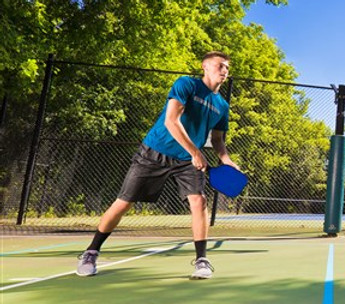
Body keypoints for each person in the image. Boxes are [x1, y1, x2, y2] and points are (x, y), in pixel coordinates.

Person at [76, 51, 238, 280]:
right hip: (155, 152)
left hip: (187, 162)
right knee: (124, 202)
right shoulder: (187, 85)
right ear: (205, 66)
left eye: (227, 68)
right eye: (220, 65)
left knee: (199, 201)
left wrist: (227, 161)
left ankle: (202, 260)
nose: (224, 70)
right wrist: (195, 151)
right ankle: (91, 252)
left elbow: (219, 140)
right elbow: (171, 120)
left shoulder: (221, 105)